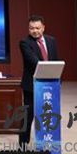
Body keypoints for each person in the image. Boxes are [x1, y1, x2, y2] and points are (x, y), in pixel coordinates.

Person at [19, 15, 59, 147]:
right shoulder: (25, 42)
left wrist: (57, 80)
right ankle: (23, 144)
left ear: (43, 28)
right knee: (28, 115)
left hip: (50, 84)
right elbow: (33, 61)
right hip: (32, 85)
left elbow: (55, 60)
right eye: (31, 28)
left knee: (48, 114)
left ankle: (48, 143)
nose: (35, 31)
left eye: (37, 28)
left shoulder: (51, 40)